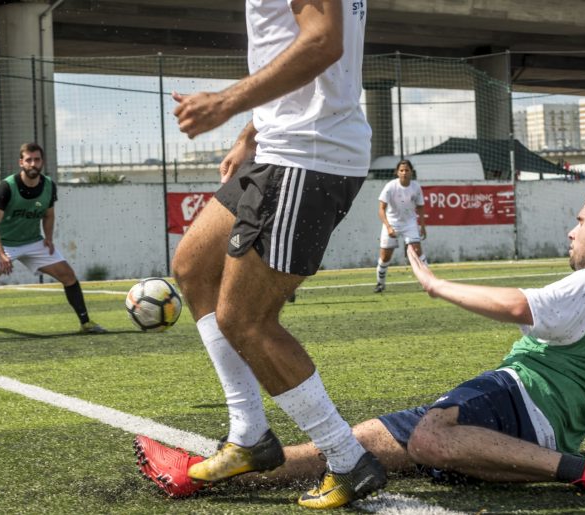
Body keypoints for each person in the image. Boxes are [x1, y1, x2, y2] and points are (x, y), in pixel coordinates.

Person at [137, 183, 585, 505]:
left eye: (579, 221)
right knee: (351, 447)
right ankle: (201, 475)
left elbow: (519, 307)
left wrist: (436, 285)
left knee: (430, 437)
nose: (570, 230)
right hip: (532, 431)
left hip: (520, 402)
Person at [168, 0, 383, 509]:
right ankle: (249, 434)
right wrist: (250, 133)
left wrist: (226, 103)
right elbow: (289, 40)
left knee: (245, 320)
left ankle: (349, 460)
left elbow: (324, 41)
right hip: (277, 145)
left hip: (309, 154)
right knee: (194, 266)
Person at [0, 142, 106, 343]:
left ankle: (86, 323)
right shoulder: (7, 186)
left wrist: (48, 238)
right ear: (21, 162)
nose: (33, 164)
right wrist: (1, 253)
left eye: (37, 159)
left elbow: (49, 215)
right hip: (4, 243)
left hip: (33, 242)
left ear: (42, 162)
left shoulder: (49, 185)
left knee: (68, 275)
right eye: (29, 160)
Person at [374, 159, 427, 293]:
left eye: (407, 170)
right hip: (392, 223)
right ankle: (380, 284)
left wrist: (422, 225)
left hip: (409, 223)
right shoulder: (390, 186)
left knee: (417, 251)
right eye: (401, 170)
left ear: (411, 172)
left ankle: (428, 282)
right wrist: (388, 227)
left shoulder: (416, 187)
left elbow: (420, 207)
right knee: (386, 256)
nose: (404, 173)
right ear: (397, 172)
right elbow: (381, 209)